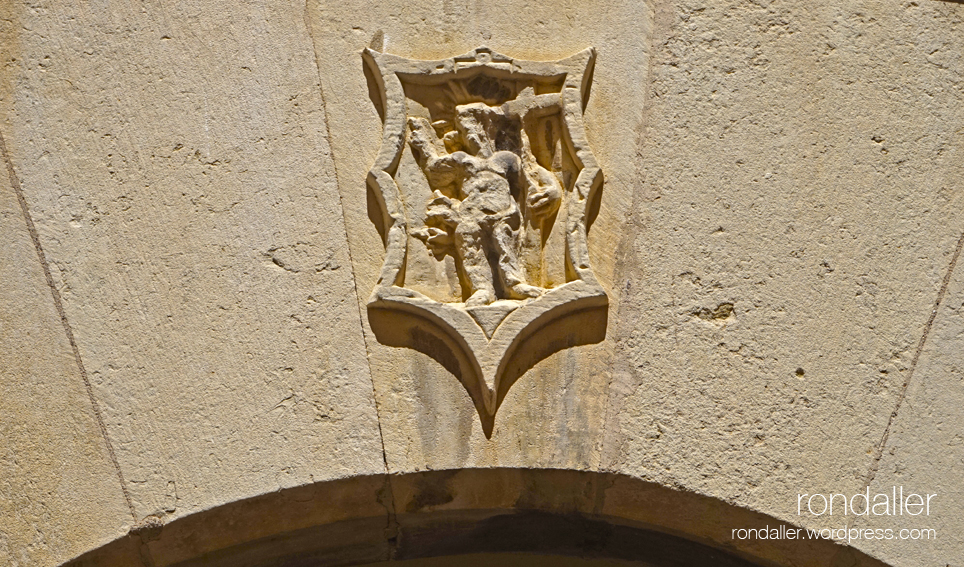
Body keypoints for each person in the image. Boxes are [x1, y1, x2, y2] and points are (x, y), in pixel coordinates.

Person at [408, 98, 561, 307]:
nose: (471, 135)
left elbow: (533, 173)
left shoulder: (505, 159)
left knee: (504, 241)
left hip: (503, 212)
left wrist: (553, 189)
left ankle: (514, 283)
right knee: (469, 241)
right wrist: (424, 143)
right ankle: (482, 289)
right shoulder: (461, 159)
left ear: (488, 132)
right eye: (465, 131)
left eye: (475, 130)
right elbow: (436, 172)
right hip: (471, 213)